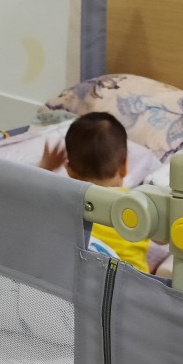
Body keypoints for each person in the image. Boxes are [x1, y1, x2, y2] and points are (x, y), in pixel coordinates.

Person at [40, 112, 151, 273]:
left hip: (72, 280)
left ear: (70, 170)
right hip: (130, 285)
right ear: (124, 167)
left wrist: (45, 168)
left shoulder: (62, 200)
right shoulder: (139, 205)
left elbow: (32, 197)